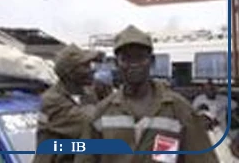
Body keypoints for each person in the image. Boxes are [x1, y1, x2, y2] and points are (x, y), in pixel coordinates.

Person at [75, 25, 217, 163]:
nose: (134, 64)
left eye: (140, 57)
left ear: (152, 61)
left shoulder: (179, 110)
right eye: (126, 58)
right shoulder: (102, 113)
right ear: (117, 64)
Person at [34, 45, 101, 163]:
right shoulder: (52, 100)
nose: (92, 69)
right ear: (70, 73)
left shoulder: (88, 94)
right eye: (85, 66)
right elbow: (91, 125)